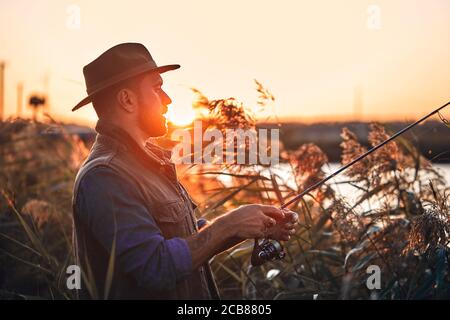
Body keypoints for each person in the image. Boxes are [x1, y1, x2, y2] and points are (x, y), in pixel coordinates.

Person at [71, 42, 297, 299]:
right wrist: (228, 225)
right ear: (127, 100)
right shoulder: (105, 176)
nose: (168, 100)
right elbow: (155, 267)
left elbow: (181, 239)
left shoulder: (145, 163)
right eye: (157, 89)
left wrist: (247, 225)